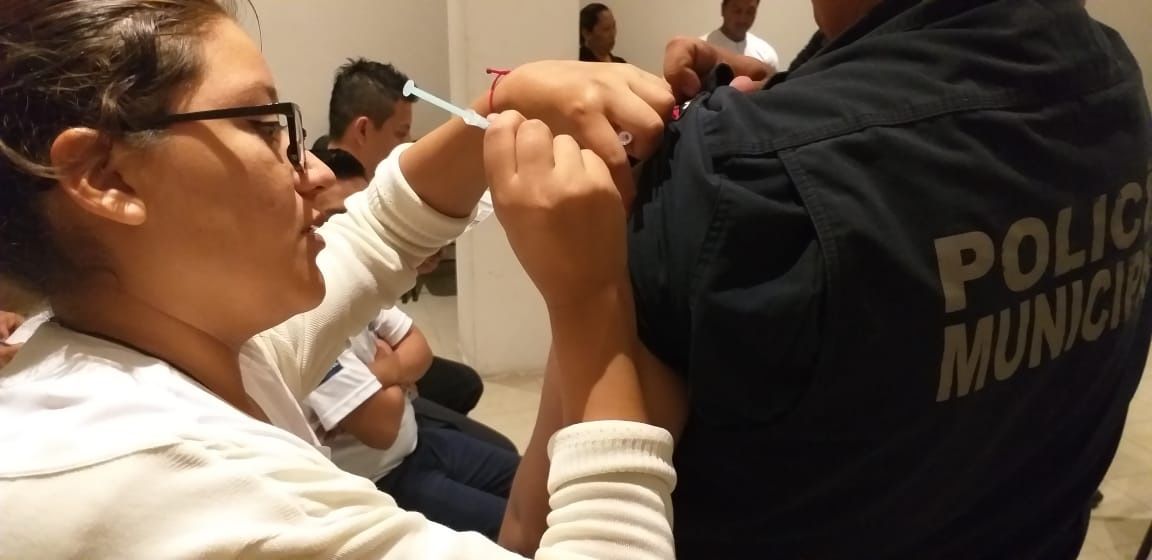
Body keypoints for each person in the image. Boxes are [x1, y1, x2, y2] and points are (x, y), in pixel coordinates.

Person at [0, 1, 681, 558]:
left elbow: (377, 234)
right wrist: (591, 299)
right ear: (107, 177)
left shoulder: (158, 352)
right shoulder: (179, 482)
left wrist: (507, 102)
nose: (319, 170)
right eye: (262, 126)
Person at [502, 0, 1152, 558]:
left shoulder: (732, 179)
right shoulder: (1113, 81)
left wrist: (587, 280)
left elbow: (535, 528)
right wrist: (779, 96)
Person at [317, 59, 488, 418]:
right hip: (350, 363)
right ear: (363, 129)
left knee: (462, 385)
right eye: (400, 133)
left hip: (381, 338)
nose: (407, 145)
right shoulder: (326, 197)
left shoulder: (370, 185)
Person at [700, 0, 778, 70]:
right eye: (737, 10)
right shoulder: (701, 50)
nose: (742, 19)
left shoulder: (766, 54)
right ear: (723, 9)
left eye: (750, 12)